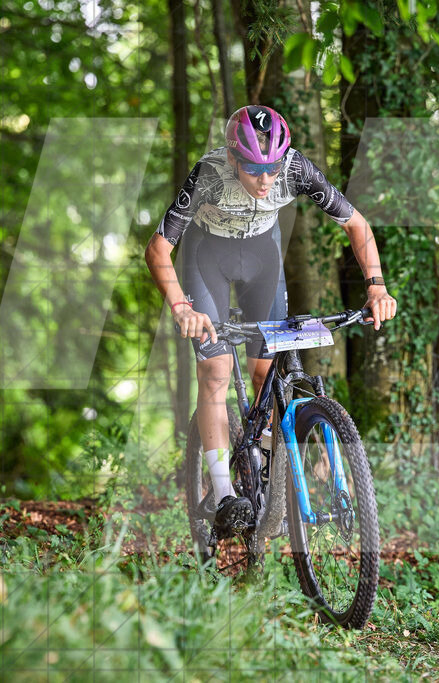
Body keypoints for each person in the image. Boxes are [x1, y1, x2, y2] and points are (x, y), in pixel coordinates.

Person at [145, 105, 397, 531]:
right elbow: (157, 250)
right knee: (216, 370)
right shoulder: (208, 174)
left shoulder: (297, 169)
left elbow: (358, 225)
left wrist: (376, 285)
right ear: (232, 158)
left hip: (261, 259)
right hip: (207, 259)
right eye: (253, 169)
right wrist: (181, 307)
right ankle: (224, 493)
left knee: (267, 375)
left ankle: (264, 481)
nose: (265, 179)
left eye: (272, 169)